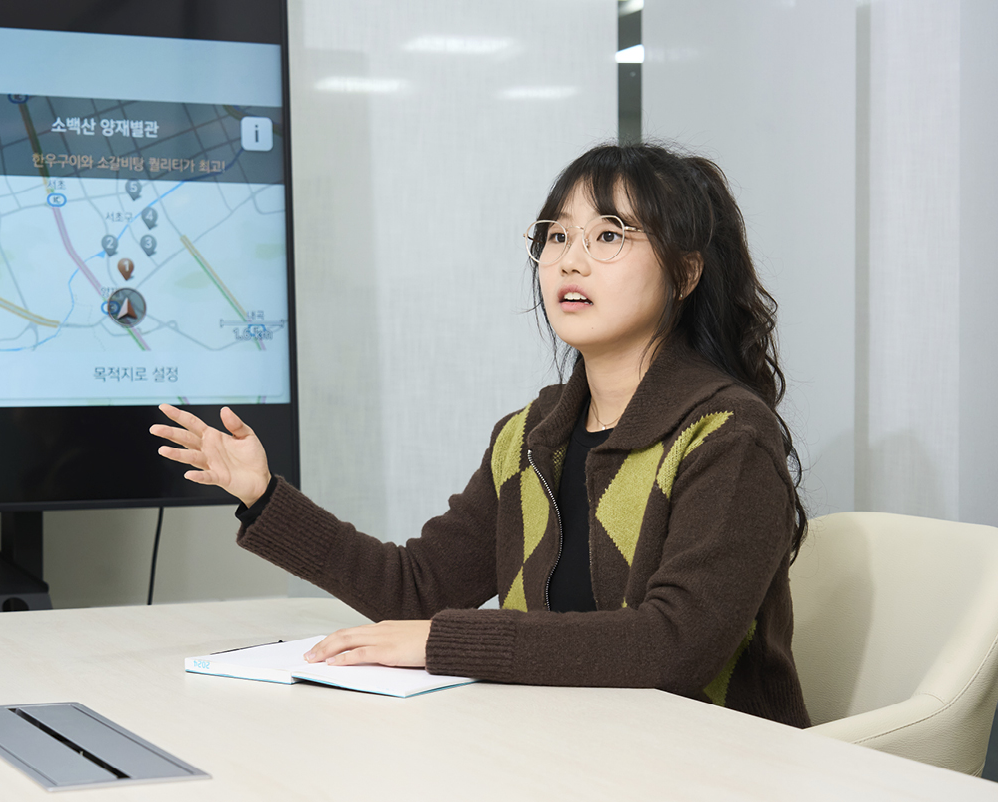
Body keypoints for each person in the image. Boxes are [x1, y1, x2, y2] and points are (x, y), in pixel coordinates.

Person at [150, 142, 811, 728]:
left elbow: (674, 646)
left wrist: (444, 643)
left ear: (686, 274)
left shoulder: (726, 435)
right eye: (557, 236)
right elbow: (414, 589)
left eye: (609, 236)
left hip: (710, 761)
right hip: (560, 745)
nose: (570, 261)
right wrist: (263, 495)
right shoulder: (530, 437)